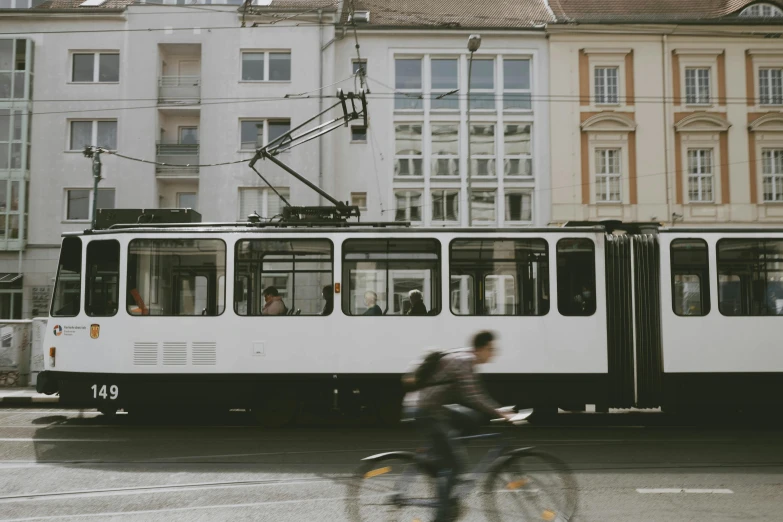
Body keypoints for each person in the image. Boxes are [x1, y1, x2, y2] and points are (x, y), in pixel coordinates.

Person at [404, 331, 514, 522]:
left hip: (429, 406)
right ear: (481, 348)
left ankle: (437, 455)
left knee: (470, 419)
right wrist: (500, 412)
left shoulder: (463, 356)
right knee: (455, 466)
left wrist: (496, 411)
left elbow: (468, 397)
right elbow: (473, 396)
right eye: (491, 349)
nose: (493, 353)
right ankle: (442, 515)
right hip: (425, 410)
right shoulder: (465, 361)